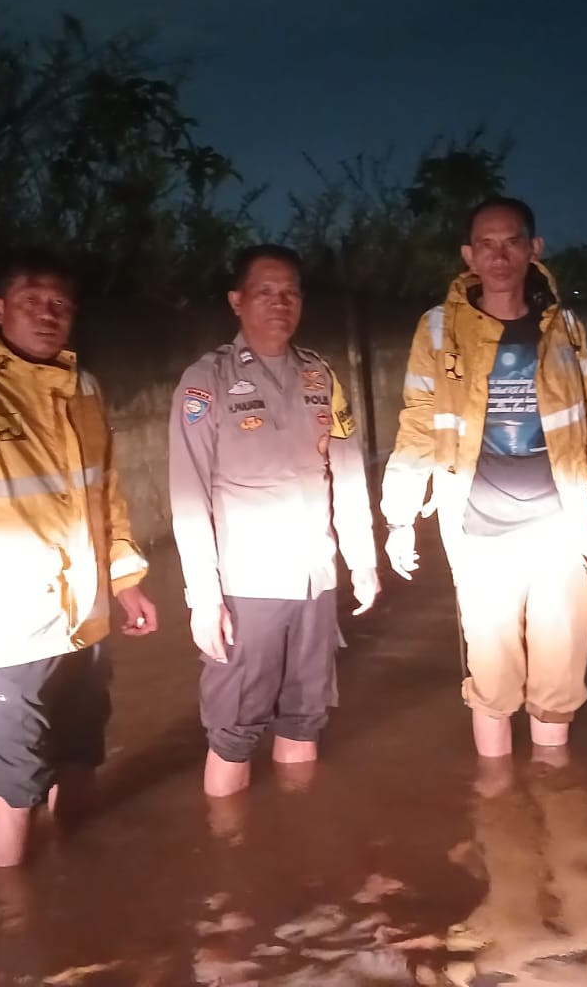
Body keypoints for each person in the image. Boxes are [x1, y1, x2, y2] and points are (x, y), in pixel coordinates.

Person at [0, 248, 159, 867]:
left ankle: (78, 895)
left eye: (61, 304)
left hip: (86, 622)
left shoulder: (85, 389)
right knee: (16, 795)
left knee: (80, 764)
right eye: (32, 302)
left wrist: (125, 579)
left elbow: (106, 496)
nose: (49, 314)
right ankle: (13, 930)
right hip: (10, 635)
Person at [380, 196, 587, 758]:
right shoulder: (439, 328)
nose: (500, 256)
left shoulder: (564, 326)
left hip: (558, 533)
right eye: (487, 244)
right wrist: (399, 518)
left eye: (512, 241)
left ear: (533, 248)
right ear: (470, 254)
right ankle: (497, 813)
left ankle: (555, 795)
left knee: (559, 681)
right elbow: (418, 422)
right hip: (479, 535)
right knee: (492, 685)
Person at [169, 244, 381, 797]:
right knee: (233, 730)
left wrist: (362, 561)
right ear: (237, 301)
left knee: (305, 717)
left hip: (315, 578)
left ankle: (299, 845)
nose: (279, 303)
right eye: (265, 291)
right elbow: (188, 494)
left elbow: (349, 471)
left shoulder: (321, 378)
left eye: (290, 292)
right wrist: (204, 598)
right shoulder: (205, 381)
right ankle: (228, 861)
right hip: (248, 586)